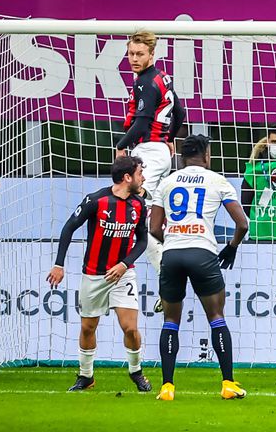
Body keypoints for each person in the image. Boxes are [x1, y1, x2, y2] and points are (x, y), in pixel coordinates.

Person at [149, 134, 249, 401]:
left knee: (171, 321)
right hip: (202, 253)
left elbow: (153, 228)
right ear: (206, 155)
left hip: (171, 255)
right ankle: (228, 383)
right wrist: (232, 246)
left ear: (181, 157)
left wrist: (172, 239)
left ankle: (167, 387)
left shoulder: (167, 182)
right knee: (216, 317)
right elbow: (242, 224)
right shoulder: (217, 181)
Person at [46, 155, 151, 393]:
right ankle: (86, 376)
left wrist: (125, 263)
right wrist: (59, 264)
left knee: (130, 329)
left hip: (123, 275)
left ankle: (136, 371)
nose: (143, 177)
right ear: (127, 178)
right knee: (87, 328)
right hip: (94, 275)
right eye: (139, 173)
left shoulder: (139, 205)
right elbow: (69, 227)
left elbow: (143, 240)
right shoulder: (96, 200)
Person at [115, 29, 185, 273]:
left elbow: (142, 124)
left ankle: (167, 276)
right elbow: (180, 112)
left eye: (140, 54)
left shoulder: (145, 82)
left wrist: (121, 146)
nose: (134, 59)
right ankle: (172, 262)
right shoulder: (162, 77)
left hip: (148, 152)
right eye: (131, 54)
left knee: (141, 216)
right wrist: (170, 138)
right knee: (152, 211)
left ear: (152, 53)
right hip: (161, 152)